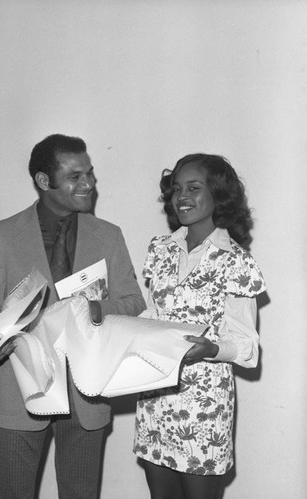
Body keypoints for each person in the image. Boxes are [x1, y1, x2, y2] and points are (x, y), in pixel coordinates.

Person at [0, 134, 145, 499]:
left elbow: (132, 302)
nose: (89, 184)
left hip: (87, 395)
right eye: (75, 176)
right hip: (20, 393)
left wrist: (92, 308)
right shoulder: (2, 236)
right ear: (43, 181)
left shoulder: (109, 236)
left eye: (90, 174)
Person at [133, 154, 266, 499]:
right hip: (155, 398)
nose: (182, 196)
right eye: (177, 188)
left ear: (218, 195)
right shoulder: (160, 250)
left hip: (203, 408)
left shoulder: (236, 261)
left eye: (194, 187)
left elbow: (247, 347)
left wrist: (211, 349)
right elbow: (153, 315)